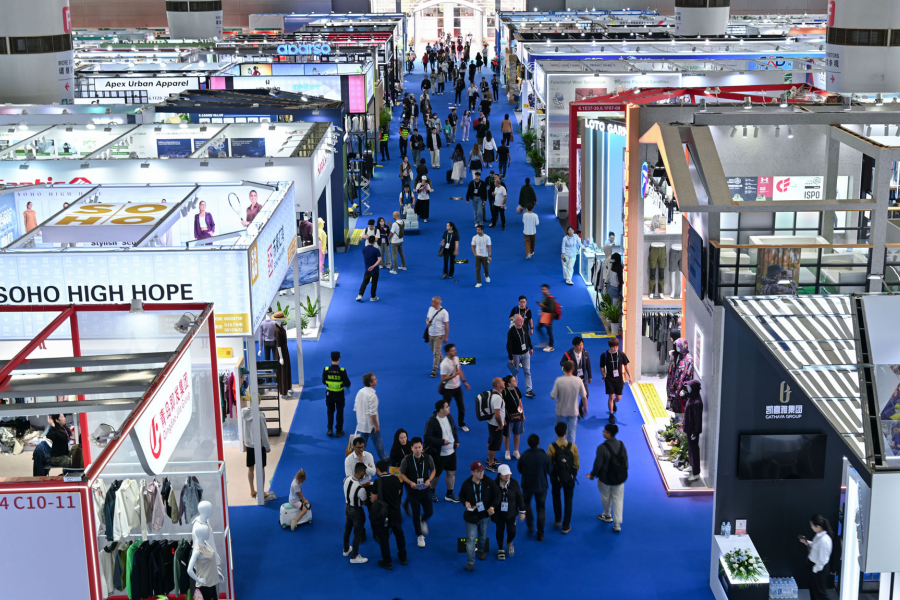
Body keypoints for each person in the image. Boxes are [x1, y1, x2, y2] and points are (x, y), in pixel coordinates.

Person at [587, 424, 628, 532]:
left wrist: (592, 475)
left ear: (608, 434)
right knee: (618, 499)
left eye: (604, 431)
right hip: (619, 479)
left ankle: (607, 514)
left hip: (605, 479)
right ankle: (617, 525)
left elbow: (597, 465)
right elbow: (626, 462)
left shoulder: (602, 448)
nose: (603, 432)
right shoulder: (621, 445)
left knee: (605, 497)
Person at [460, 461, 499, 571]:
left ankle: (481, 550)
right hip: (471, 516)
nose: (482, 473)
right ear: (472, 472)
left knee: (482, 536)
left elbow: (497, 495)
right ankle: (470, 562)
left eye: (483, 470)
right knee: (471, 539)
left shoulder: (489, 482)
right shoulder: (466, 484)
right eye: (479, 471)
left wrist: (493, 507)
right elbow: (461, 495)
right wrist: (465, 502)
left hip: (484, 515)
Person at [398, 437, 435, 548]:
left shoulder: (428, 458)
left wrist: (429, 479)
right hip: (413, 492)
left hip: (425, 490)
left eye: (419, 447)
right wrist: (410, 482)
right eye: (416, 448)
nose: (418, 450)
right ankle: (419, 535)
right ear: (412, 448)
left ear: (422, 447)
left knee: (429, 511)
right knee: (416, 513)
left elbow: (433, 470)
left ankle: (422, 521)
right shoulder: (406, 460)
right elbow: (401, 474)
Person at [371, 460, 407, 570]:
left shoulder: (377, 482)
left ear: (377, 470)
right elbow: (399, 493)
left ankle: (387, 562)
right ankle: (403, 557)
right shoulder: (396, 479)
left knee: (384, 537)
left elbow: (373, 499)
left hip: (384, 515)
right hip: (396, 512)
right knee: (399, 535)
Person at [424, 399, 461, 503]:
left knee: (451, 472)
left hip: (451, 451)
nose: (449, 408)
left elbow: (453, 430)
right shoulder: (432, 421)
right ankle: (431, 491)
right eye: (447, 407)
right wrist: (441, 442)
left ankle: (449, 493)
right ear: (441, 410)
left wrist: (456, 441)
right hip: (439, 454)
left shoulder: (449, 416)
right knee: (436, 474)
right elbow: (427, 437)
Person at [516, 434, 552, 541]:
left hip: (527, 486)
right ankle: (540, 533)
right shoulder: (545, 456)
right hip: (541, 486)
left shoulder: (524, 456)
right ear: (539, 443)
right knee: (541, 509)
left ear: (528, 443)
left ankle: (530, 525)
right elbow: (550, 470)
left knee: (526, 504)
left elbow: (520, 469)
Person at [547, 422, 579, 534]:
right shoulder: (573, 447)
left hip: (556, 478)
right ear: (566, 432)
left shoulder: (552, 447)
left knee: (556, 498)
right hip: (569, 478)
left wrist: (552, 475)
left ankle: (557, 520)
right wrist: (572, 475)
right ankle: (566, 526)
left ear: (556, 433)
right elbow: (576, 464)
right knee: (568, 500)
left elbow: (549, 464)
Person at [492, 464, 526, 560]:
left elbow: (520, 497)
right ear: (499, 474)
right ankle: (500, 548)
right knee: (499, 531)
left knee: (512, 531)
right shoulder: (494, 484)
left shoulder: (514, 483)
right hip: (499, 514)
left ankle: (509, 541)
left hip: (511, 513)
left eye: (509, 474)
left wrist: (522, 511)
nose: (508, 476)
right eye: (505, 474)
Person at [241, 403, 274, 500]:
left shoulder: (243, 413)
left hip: (249, 445)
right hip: (259, 446)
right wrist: (267, 446)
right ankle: (261, 491)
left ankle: (252, 490)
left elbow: (243, 429)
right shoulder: (259, 416)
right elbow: (263, 432)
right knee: (261, 468)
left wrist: (245, 442)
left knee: (250, 468)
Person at [799, 514, 835, 600]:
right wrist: (807, 542)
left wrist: (814, 570)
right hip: (815, 567)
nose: (811, 527)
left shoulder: (824, 540)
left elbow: (822, 560)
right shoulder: (819, 535)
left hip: (819, 569)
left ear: (818, 526)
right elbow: (815, 546)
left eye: (812, 525)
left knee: (820, 593)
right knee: (814, 591)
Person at [551, 361, 587, 444]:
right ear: (573, 369)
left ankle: (558, 448)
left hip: (561, 411)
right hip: (573, 411)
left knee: (559, 432)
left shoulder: (559, 380)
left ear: (563, 369)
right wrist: (585, 407)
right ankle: (570, 450)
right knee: (572, 433)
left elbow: (553, 396)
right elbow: (584, 397)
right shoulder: (578, 380)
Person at [354, 372, 387, 461]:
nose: (377, 380)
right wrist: (376, 425)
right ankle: (385, 458)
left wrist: (358, 419)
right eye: (375, 379)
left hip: (362, 423)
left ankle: (358, 458)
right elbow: (372, 413)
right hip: (371, 425)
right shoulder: (372, 396)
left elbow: (356, 407)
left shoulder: (360, 392)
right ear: (371, 383)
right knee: (378, 443)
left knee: (361, 443)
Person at [599, 338, 632, 423]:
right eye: (613, 347)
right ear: (610, 347)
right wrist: (604, 375)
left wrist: (630, 376)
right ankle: (611, 415)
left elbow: (626, 366)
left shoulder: (621, 354)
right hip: (609, 379)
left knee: (618, 398)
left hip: (619, 379)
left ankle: (614, 402)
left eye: (616, 347)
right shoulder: (604, 355)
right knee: (611, 396)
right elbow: (602, 366)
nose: (615, 348)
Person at [440, 343, 471, 432]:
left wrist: (464, 382)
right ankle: (443, 425)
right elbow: (443, 378)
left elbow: (459, 370)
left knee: (461, 407)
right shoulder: (444, 364)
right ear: (447, 352)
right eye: (453, 351)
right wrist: (453, 376)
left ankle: (461, 424)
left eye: (455, 350)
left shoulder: (456, 359)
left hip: (458, 388)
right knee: (445, 409)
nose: (455, 351)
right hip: (448, 390)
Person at [343, 462, 370, 564]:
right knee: (357, 533)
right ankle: (354, 556)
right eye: (365, 473)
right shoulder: (361, 489)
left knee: (347, 530)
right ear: (362, 472)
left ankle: (346, 549)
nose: (365, 475)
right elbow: (364, 502)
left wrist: (362, 485)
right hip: (357, 512)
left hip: (347, 508)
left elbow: (352, 487)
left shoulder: (346, 479)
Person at [323, 351, 351, 437]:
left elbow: (323, 381)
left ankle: (330, 429)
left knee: (330, 411)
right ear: (339, 359)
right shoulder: (342, 371)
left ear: (331, 358)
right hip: (339, 395)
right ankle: (339, 431)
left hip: (329, 395)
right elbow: (347, 383)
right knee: (340, 412)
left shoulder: (326, 370)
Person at [506, 315, 534, 399]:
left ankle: (529, 390)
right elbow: (509, 345)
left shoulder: (524, 327)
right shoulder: (511, 332)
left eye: (522, 319)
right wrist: (510, 357)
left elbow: (527, 337)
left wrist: (531, 347)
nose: (521, 321)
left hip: (526, 354)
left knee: (527, 371)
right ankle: (513, 389)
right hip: (516, 355)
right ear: (514, 322)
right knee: (514, 373)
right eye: (519, 320)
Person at [485, 377, 506, 472]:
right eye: (502, 381)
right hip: (496, 424)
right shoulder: (497, 398)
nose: (504, 382)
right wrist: (500, 424)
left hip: (491, 422)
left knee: (491, 441)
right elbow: (497, 414)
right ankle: (490, 464)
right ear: (498, 385)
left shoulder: (493, 393)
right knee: (493, 444)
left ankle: (490, 458)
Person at [501, 375, 525, 460]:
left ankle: (516, 451)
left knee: (517, 433)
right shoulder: (504, 391)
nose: (516, 382)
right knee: (507, 435)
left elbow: (520, 402)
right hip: (508, 417)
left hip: (517, 415)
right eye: (514, 381)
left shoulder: (516, 390)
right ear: (509, 383)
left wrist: (522, 414)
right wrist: (503, 418)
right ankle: (507, 451)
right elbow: (502, 406)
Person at [426, 296, 449, 378]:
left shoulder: (444, 313)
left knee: (436, 353)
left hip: (439, 335)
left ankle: (434, 370)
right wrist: (427, 322)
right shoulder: (430, 309)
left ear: (437, 303)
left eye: (432, 301)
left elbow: (447, 325)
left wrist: (446, 336)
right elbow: (427, 318)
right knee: (434, 350)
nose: (431, 302)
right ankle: (445, 363)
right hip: (430, 334)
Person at [356, 236, 382, 302]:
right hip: (375, 270)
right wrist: (373, 266)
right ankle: (373, 297)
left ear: (368, 241)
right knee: (374, 283)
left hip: (367, 270)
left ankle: (360, 295)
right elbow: (379, 259)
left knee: (364, 282)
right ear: (374, 242)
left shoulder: (363, 249)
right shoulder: (376, 250)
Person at [471, 224, 492, 288]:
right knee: (477, 269)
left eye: (479, 230)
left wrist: (490, 256)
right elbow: (472, 246)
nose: (477, 231)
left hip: (485, 256)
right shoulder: (474, 237)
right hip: (478, 256)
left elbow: (489, 247)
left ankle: (486, 275)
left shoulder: (487, 237)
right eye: (477, 230)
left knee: (486, 269)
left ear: (482, 230)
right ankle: (479, 282)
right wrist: (475, 254)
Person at [537, 284, 557, 352]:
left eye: (544, 289)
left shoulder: (550, 298)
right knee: (538, 327)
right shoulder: (545, 297)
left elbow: (551, 309)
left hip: (548, 318)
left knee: (549, 331)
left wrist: (543, 306)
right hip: (544, 316)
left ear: (548, 290)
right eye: (542, 289)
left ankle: (551, 346)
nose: (543, 291)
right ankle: (545, 342)